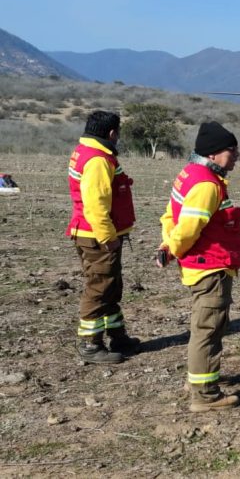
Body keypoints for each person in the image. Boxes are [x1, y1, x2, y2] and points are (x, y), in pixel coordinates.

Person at [158, 122, 240, 412]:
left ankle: (196, 381)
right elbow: (188, 229)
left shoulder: (189, 174)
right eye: (231, 150)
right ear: (213, 154)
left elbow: (171, 215)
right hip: (210, 268)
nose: (236, 156)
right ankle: (205, 395)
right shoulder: (207, 185)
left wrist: (167, 246)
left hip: (201, 265)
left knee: (203, 326)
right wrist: (173, 248)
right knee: (208, 329)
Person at [67, 110, 139, 364]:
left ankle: (117, 336)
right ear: (111, 133)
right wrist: (109, 237)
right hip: (97, 237)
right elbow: (95, 204)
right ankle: (90, 344)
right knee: (99, 289)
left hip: (94, 234)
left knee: (110, 286)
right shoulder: (97, 160)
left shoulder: (86, 151)